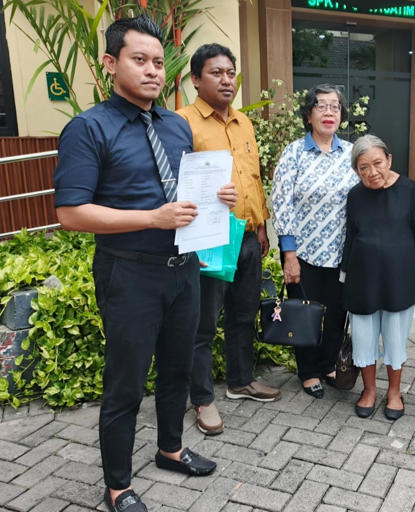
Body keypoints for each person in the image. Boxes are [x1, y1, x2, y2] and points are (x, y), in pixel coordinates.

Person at [53, 16, 220, 512]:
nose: (152, 71)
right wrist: (152, 218)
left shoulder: (176, 126)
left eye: (158, 62)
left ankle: (170, 448)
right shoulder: (89, 128)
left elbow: (183, 193)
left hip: (183, 268)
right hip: (128, 272)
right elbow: (71, 213)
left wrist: (216, 197)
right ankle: (118, 486)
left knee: (177, 368)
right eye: (139, 60)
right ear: (111, 63)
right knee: (126, 382)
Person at [177, 43, 280, 437]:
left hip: (248, 237)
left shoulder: (244, 123)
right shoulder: (182, 123)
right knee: (203, 325)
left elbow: (253, 178)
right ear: (195, 79)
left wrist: (261, 227)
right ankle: (202, 399)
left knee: (243, 314)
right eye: (216, 73)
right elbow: (176, 183)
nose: (226, 80)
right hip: (210, 239)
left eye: (231, 73)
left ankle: (241, 381)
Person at [342, 134, 415, 420]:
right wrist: (344, 277)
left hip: (399, 275)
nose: (372, 172)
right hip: (362, 276)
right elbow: (350, 237)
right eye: (364, 168)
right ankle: (369, 390)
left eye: (378, 163)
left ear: (389, 160)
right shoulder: (354, 195)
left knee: (395, 337)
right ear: (356, 171)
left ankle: (394, 392)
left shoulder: (409, 190)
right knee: (363, 337)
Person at [271, 84, 359, 398]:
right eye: (321, 106)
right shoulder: (294, 153)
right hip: (303, 251)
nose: (329, 112)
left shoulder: (351, 153)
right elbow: (281, 203)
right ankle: (308, 371)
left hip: (342, 252)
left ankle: (328, 364)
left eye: (335, 106)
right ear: (309, 115)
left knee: (336, 312)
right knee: (305, 313)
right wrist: (289, 253)